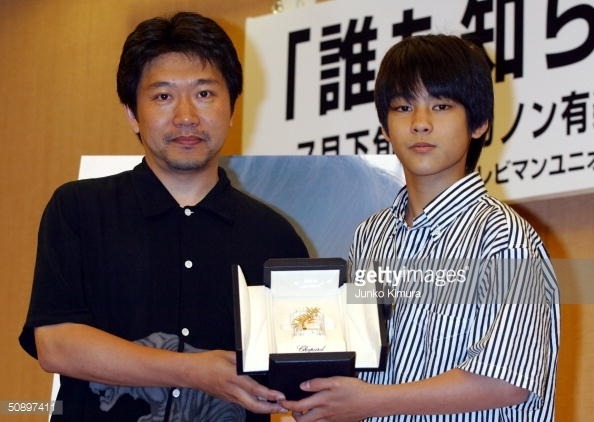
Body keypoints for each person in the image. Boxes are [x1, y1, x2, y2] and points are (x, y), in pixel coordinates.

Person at [19, 12, 308, 421]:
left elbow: (298, 367)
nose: (186, 116)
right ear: (132, 113)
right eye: (163, 97)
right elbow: (55, 345)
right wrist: (193, 370)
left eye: (204, 94)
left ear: (231, 108)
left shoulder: (274, 236)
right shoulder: (79, 209)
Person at [281, 34, 560, 421]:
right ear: (385, 127)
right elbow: (358, 355)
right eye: (403, 107)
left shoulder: (504, 237)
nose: (420, 123)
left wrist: (371, 401)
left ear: (479, 123)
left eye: (441, 106)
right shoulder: (370, 235)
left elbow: (506, 380)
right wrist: (313, 392)